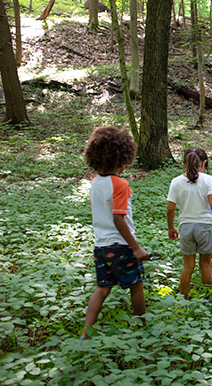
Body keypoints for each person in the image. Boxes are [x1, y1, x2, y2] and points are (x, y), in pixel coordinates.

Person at [81, 126, 149, 339]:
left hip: (100, 246)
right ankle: (142, 326)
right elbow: (118, 217)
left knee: (102, 289)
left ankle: (85, 333)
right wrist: (135, 247)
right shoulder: (119, 184)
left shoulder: (95, 183)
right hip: (120, 245)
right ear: (123, 157)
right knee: (136, 284)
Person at [166, 147, 212, 299]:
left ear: (184, 164)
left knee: (188, 265)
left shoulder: (176, 182)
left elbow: (170, 208)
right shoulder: (208, 180)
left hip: (185, 226)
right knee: (205, 264)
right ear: (204, 163)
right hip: (205, 226)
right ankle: (207, 297)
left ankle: (183, 297)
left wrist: (171, 227)